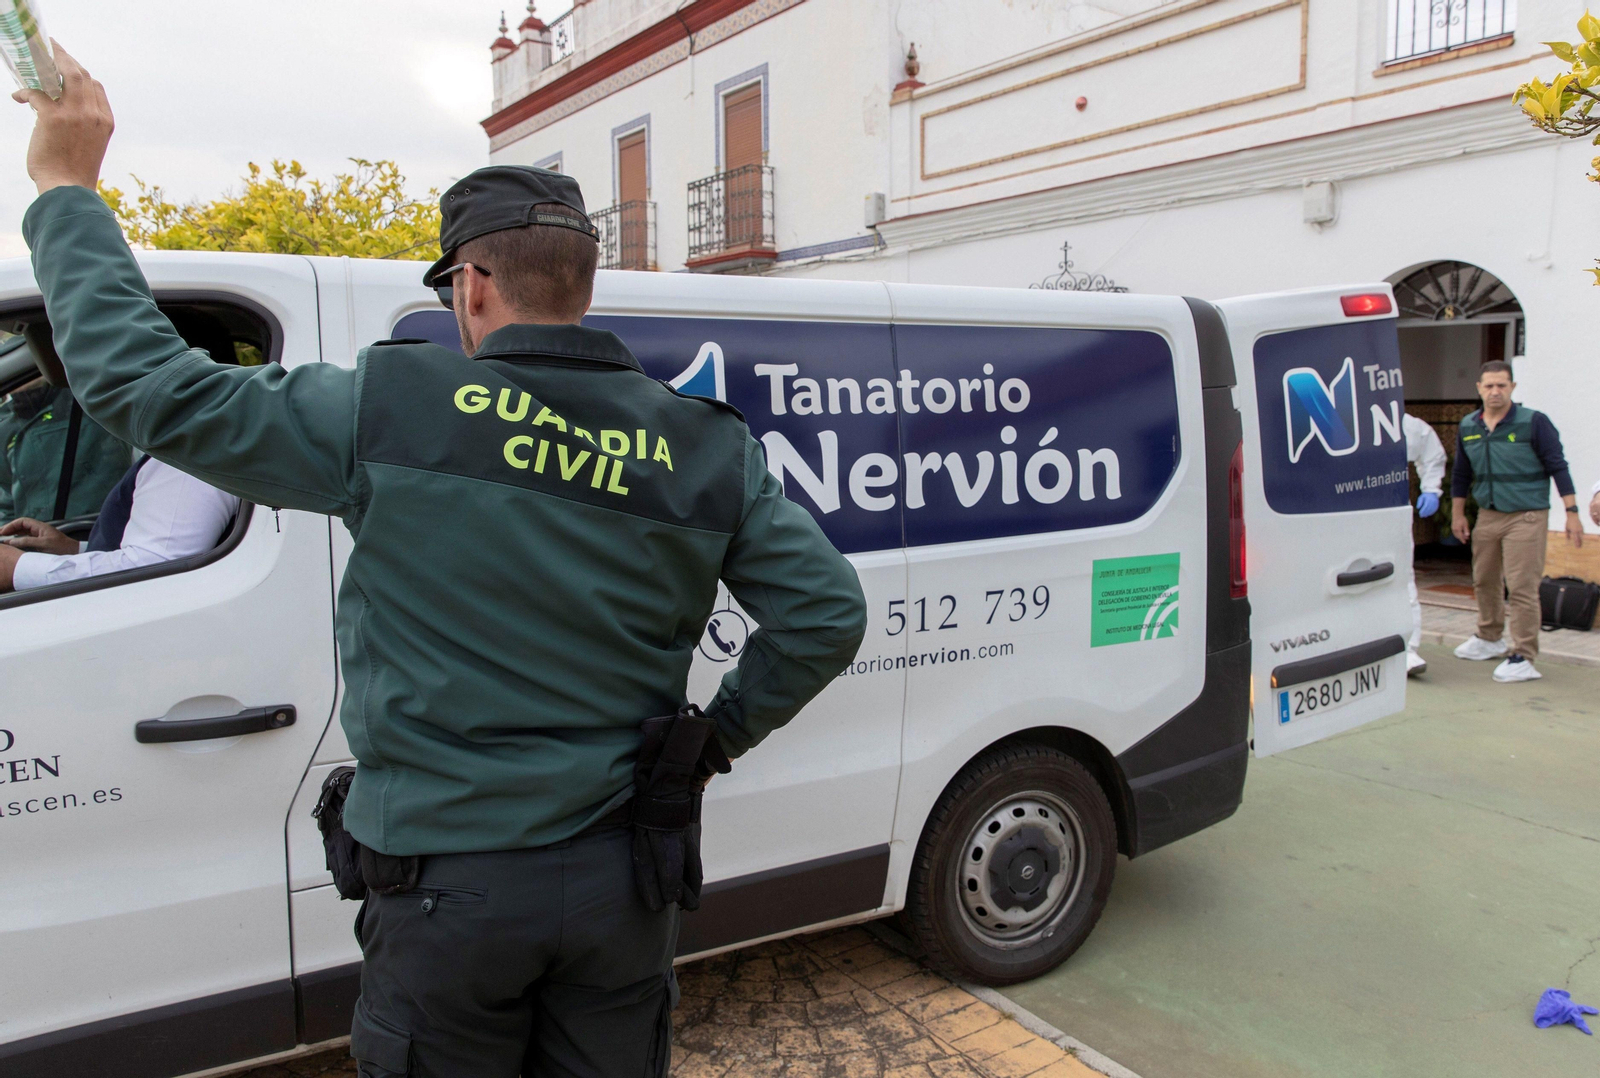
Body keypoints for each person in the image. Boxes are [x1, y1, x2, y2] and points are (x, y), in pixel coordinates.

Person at [13, 47, 866, 1078]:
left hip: (448, 895)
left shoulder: (394, 408)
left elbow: (146, 388)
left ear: (470, 286)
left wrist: (66, 187)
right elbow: (825, 612)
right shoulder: (702, 444)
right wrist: (713, 740)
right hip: (621, 883)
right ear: (581, 283)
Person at [1449, 360, 1582, 683]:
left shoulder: (1534, 423)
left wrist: (1572, 513)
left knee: (1521, 587)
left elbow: (1558, 466)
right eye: (1489, 385)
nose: (1496, 391)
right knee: (1485, 580)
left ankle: (1523, 654)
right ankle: (1488, 637)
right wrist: (1457, 513)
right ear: (1479, 388)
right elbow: (1461, 473)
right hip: (1489, 515)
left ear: (1512, 387)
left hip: (1527, 516)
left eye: (1502, 385)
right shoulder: (1468, 426)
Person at [0, 455, 239, 592]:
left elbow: (153, 571)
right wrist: (74, 550)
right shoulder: (177, 446)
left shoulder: (188, 456)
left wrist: (18, 568)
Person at [0, 320, 130, 525]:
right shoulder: (6, 422)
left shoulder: (86, 402)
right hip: (35, 540)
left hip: (94, 532)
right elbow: (6, 499)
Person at [1402, 413, 1446, 676]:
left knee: (1402, 579)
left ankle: (1408, 649)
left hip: (1392, 512)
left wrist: (1431, 489)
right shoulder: (1341, 417)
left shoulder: (1408, 424)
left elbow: (1432, 455)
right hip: (1344, 514)